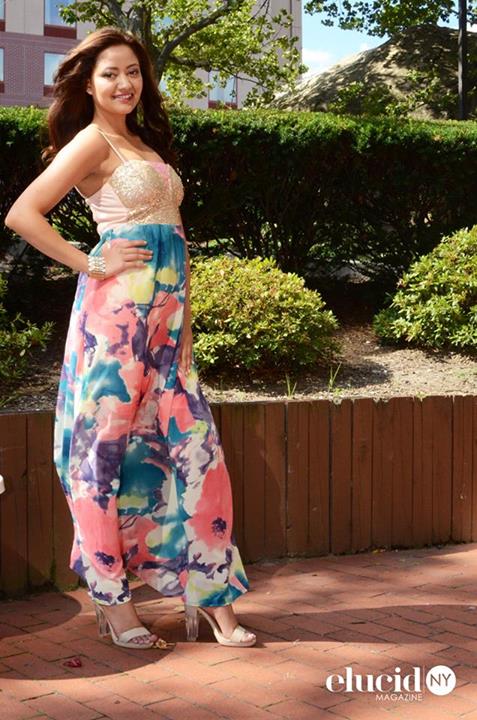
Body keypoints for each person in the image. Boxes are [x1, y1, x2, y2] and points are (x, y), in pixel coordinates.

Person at [4, 26, 256, 650]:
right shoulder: (91, 141)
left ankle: (211, 596)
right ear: (89, 84)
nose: (125, 83)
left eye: (133, 72)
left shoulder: (143, 143)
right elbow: (22, 213)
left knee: (198, 453)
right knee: (104, 456)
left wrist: (185, 329)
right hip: (113, 325)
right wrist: (90, 261)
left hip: (167, 331)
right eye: (111, 73)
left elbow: (176, 241)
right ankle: (113, 601)